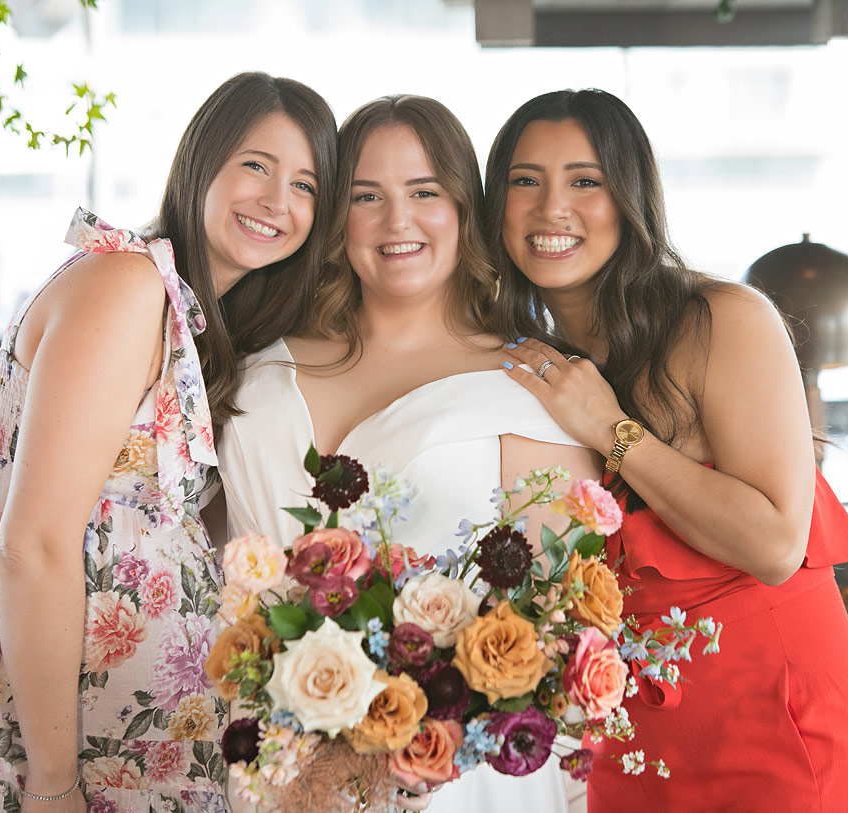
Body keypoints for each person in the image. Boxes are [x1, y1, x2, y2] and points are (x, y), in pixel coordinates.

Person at [0, 72, 336, 813]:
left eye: (306, 185)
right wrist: (53, 778)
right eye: (256, 165)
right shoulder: (126, 286)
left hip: (102, 742)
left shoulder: (193, 320)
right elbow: (33, 541)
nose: (276, 201)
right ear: (202, 162)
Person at [483, 88, 848, 812]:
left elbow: (776, 542)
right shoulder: (533, 362)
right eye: (524, 181)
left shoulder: (724, 319)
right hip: (634, 737)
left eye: (585, 180)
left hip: (774, 725)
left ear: (629, 198)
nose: (551, 209)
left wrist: (610, 428)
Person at [215, 95, 599, 813]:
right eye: (368, 196)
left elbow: (555, 625)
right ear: (336, 218)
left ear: (462, 209)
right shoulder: (256, 369)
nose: (398, 221)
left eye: (424, 192)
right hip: (266, 758)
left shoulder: (529, 385)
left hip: (451, 774)